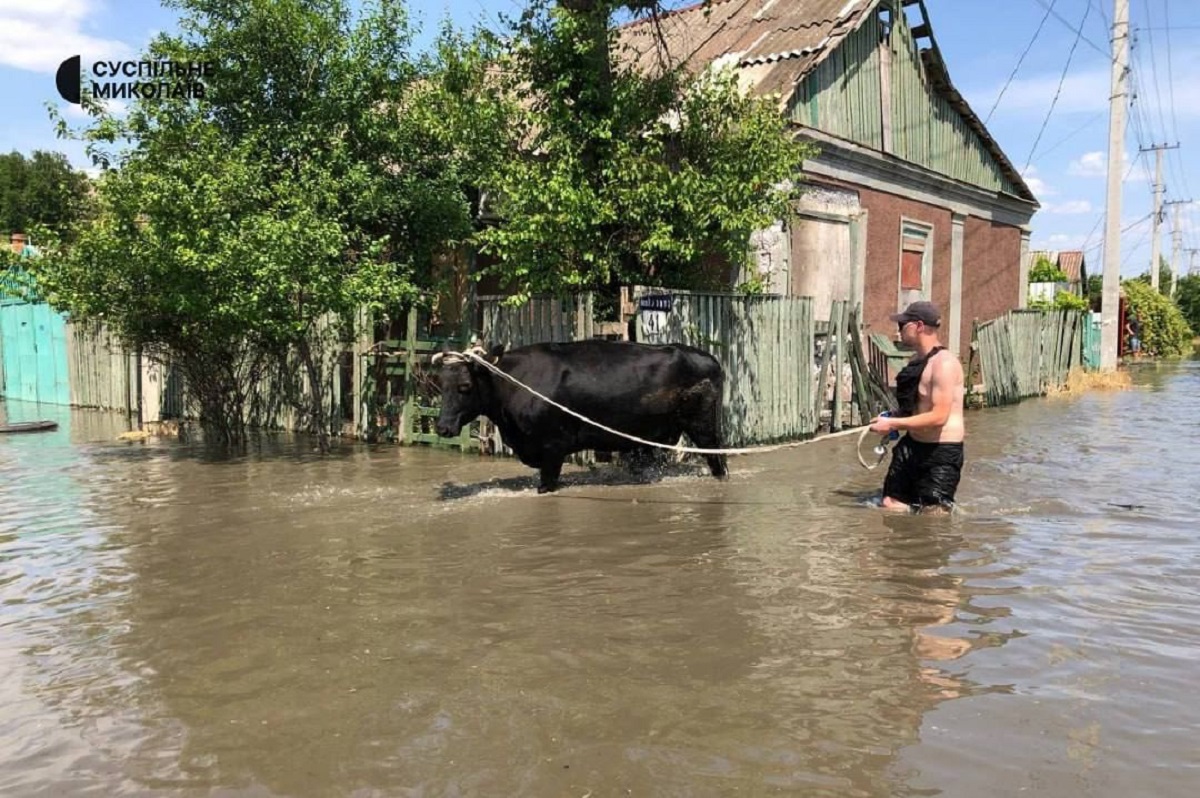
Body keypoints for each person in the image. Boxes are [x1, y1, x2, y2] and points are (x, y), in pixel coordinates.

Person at [869, 301, 965, 513]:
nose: (899, 330)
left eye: (903, 325)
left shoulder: (944, 364)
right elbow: (917, 405)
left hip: (941, 450)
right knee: (890, 504)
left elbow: (939, 416)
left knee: (933, 515)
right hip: (912, 444)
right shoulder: (917, 361)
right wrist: (891, 417)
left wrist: (893, 423)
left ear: (919, 326)